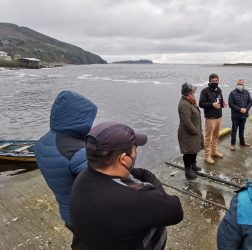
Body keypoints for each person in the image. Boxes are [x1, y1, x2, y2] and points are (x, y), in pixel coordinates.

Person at [70, 122, 183, 250]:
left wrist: (133, 172)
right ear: (123, 159)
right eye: (135, 149)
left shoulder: (81, 179)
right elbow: (176, 210)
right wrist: (149, 177)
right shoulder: (136, 198)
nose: (135, 153)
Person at [35, 90, 97, 249]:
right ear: (78, 118)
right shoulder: (76, 152)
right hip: (87, 216)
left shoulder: (42, 143)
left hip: (67, 210)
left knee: (79, 241)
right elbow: (101, 182)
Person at [178, 82, 204, 180]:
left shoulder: (190, 101)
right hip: (187, 134)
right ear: (187, 92)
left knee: (194, 150)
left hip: (194, 132)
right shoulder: (184, 104)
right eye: (193, 91)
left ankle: (193, 165)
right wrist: (195, 131)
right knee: (188, 152)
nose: (194, 93)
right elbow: (186, 122)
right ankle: (188, 170)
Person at [199, 73, 226, 164]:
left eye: (217, 81)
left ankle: (214, 151)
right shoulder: (205, 91)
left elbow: (220, 100)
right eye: (213, 81)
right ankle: (207, 156)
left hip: (219, 116)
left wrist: (223, 104)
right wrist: (212, 104)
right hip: (210, 117)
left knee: (216, 136)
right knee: (208, 137)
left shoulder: (219, 89)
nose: (215, 82)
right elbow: (201, 104)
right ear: (209, 81)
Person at [228, 79, 252, 151]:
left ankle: (242, 142)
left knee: (242, 129)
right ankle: (232, 144)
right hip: (235, 115)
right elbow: (231, 104)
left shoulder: (246, 92)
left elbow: (250, 102)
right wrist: (239, 109)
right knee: (234, 130)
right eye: (238, 84)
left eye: (241, 84)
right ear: (236, 85)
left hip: (244, 115)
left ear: (243, 85)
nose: (240, 85)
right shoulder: (232, 93)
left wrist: (246, 109)